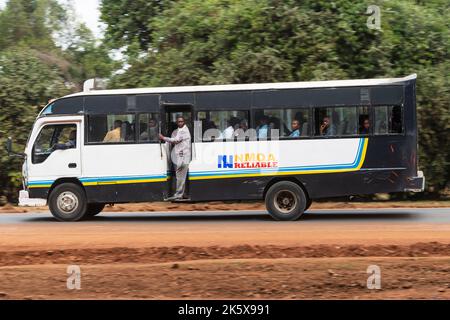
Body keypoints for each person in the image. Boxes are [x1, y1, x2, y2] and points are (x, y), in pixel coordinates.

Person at [159, 116, 191, 201]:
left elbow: (176, 140)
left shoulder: (184, 131)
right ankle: (182, 194)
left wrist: (163, 138)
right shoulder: (180, 130)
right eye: (179, 121)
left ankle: (178, 195)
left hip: (183, 157)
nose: (180, 123)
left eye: (181, 121)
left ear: (184, 122)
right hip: (180, 156)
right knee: (180, 176)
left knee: (180, 176)